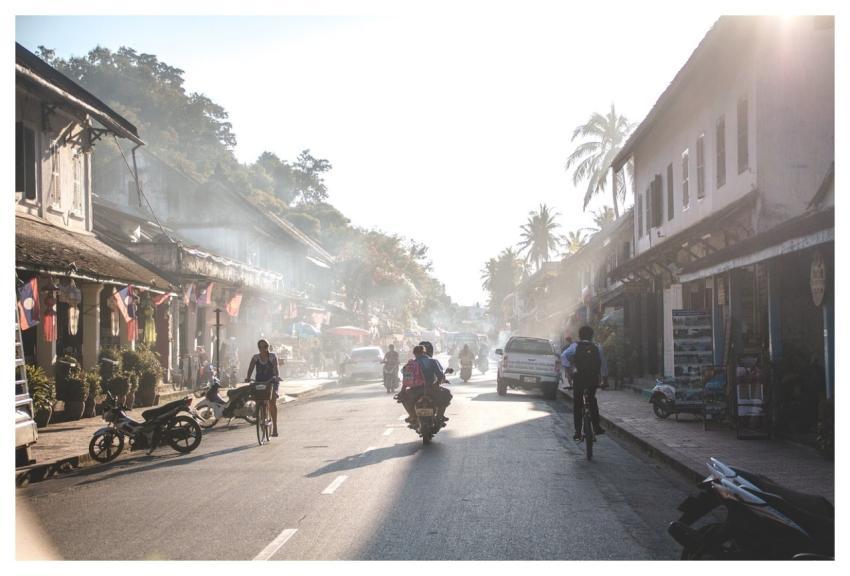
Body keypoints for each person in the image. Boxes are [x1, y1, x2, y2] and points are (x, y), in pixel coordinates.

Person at [562, 326, 607, 441]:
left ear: (580, 336)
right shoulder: (597, 347)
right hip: (592, 380)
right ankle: (596, 427)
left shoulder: (575, 346)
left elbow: (564, 356)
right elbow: (603, 365)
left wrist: (569, 371)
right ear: (591, 336)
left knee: (577, 404)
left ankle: (577, 431)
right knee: (592, 399)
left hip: (579, 379)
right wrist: (603, 379)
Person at [245, 339, 281, 437]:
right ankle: (260, 415)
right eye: (260, 347)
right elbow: (250, 368)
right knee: (258, 400)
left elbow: (276, 368)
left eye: (264, 346)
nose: (262, 349)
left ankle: (275, 427)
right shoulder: (255, 357)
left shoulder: (273, 356)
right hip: (259, 382)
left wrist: (276, 376)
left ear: (267, 347)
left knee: (272, 402)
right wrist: (248, 377)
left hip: (271, 381)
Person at [418, 340, 453, 424]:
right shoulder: (433, 361)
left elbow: (405, 373)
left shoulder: (413, 362)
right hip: (431, 388)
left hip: (416, 389)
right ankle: (440, 415)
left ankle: (412, 415)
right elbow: (440, 375)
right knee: (447, 394)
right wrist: (437, 383)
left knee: (405, 398)